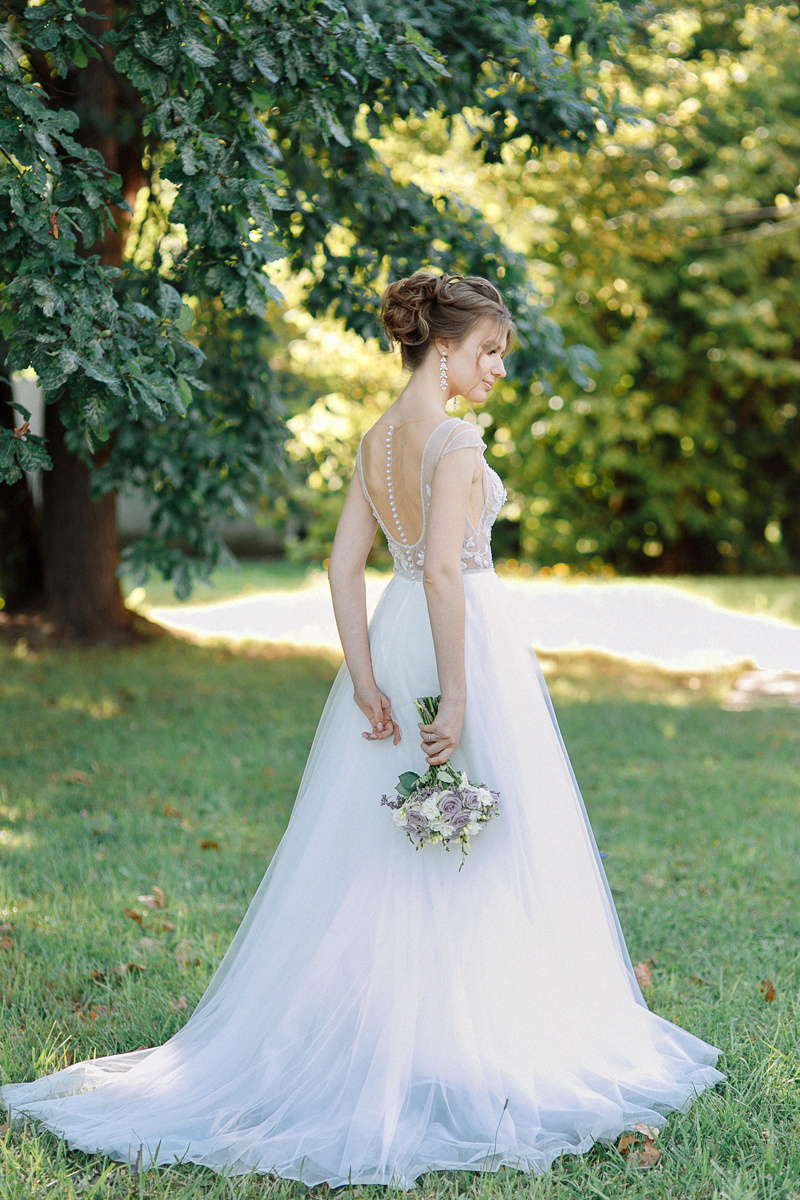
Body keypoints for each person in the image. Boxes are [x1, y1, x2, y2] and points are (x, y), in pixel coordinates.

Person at [1, 272, 725, 1187]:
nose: (499, 368)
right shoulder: (456, 441)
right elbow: (450, 578)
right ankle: (478, 1045)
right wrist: (454, 698)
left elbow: (346, 571)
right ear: (446, 349)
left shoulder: (376, 442)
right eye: (491, 352)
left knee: (390, 849)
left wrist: (368, 679)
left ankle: (419, 1034)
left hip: (392, 647)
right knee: (484, 840)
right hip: (463, 649)